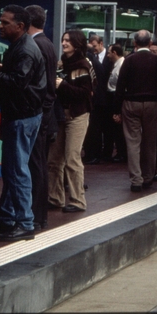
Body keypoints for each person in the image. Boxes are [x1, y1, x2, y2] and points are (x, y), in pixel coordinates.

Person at [0, 5, 46, 242]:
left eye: (4, 22)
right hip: (21, 115)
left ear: (19, 26)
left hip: (22, 116)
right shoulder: (21, 47)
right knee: (13, 170)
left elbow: (17, 81)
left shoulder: (26, 50)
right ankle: (8, 218)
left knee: (18, 171)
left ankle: (24, 222)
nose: (0, 26)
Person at [115, 30, 157, 192]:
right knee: (150, 141)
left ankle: (136, 179)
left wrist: (117, 109)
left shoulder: (129, 60)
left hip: (131, 102)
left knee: (132, 141)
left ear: (135, 43)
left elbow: (120, 86)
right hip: (154, 104)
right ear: (151, 43)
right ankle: (148, 176)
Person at [48, 30, 95, 213]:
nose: (64, 43)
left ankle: (77, 201)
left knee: (72, 158)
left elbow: (86, 94)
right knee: (53, 159)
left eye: (68, 40)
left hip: (77, 115)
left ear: (77, 43)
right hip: (61, 114)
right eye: (63, 40)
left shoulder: (83, 65)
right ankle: (55, 197)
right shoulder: (61, 63)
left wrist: (63, 85)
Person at [25, 5, 58, 230]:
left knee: (36, 165)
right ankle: (39, 214)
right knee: (39, 164)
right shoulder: (47, 43)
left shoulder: (36, 45)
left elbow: (43, 86)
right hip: (44, 112)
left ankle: (36, 215)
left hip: (39, 113)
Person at [83, 34, 111, 165]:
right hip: (98, 102)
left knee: (94, 129)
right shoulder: (95, 64)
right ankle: (92, 154)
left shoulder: (94, 65)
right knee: (94, 129)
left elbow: (98, 85)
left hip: (97, 102)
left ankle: (94, 154)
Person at [105, 43, 127, 163]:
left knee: (118, 126)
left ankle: (122, 152)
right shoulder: (116, 64)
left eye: (109, 52)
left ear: (114, 53)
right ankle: (121, 151)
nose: (108, 55)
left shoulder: (121, 65)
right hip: (113, 96)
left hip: (116, 96)